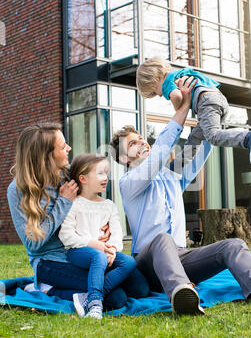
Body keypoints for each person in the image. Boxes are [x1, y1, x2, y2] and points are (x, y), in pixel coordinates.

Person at [110, 76, 251, 315]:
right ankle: (181, 293)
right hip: (149, 264)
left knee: (233, 245)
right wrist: (182, 108)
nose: (143, 144)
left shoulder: (170, 176)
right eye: (133, 145)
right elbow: (159, 154)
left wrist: (209, 113)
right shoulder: (128, 183)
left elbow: (197, 149)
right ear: (124, 159)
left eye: (142, 140)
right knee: (162, 239)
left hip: (181, 257)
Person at [7, 123, 149, 315]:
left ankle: (92, 293)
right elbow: (34, 244)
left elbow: (89, 205)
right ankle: (48, 287)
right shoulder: (18, 190)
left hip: (84, 251)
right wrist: (63, 202)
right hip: (50, 262)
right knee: (117, 298)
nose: (69, 149)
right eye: (63, 146)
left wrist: (103, 228)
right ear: (47, 156)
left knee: (140, 288)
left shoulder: (69, 174)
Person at [57, 153, 146, 319]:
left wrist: (112, 248)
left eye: (106, 173)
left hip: (105, 253)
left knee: (131, 266)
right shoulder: (74, 204)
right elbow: (66, 235)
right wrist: (94, 244)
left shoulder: (108, 205)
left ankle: (89, 295)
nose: (105, 178)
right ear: (82, 179)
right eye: (100, 173)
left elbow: (117, 232)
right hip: (79, 251)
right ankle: (95, 303)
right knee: (98, 256)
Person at [136, 56, 251, 166]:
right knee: (195, 138)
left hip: (206, 101)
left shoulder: (168, 82)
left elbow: (176, 96)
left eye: (154, 92)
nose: (159, 95)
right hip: (217, 99)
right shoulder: (180, 73)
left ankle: (247, 137)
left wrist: (179, 110)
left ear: (156, 79)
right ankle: (175, 168)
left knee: (213, 136)